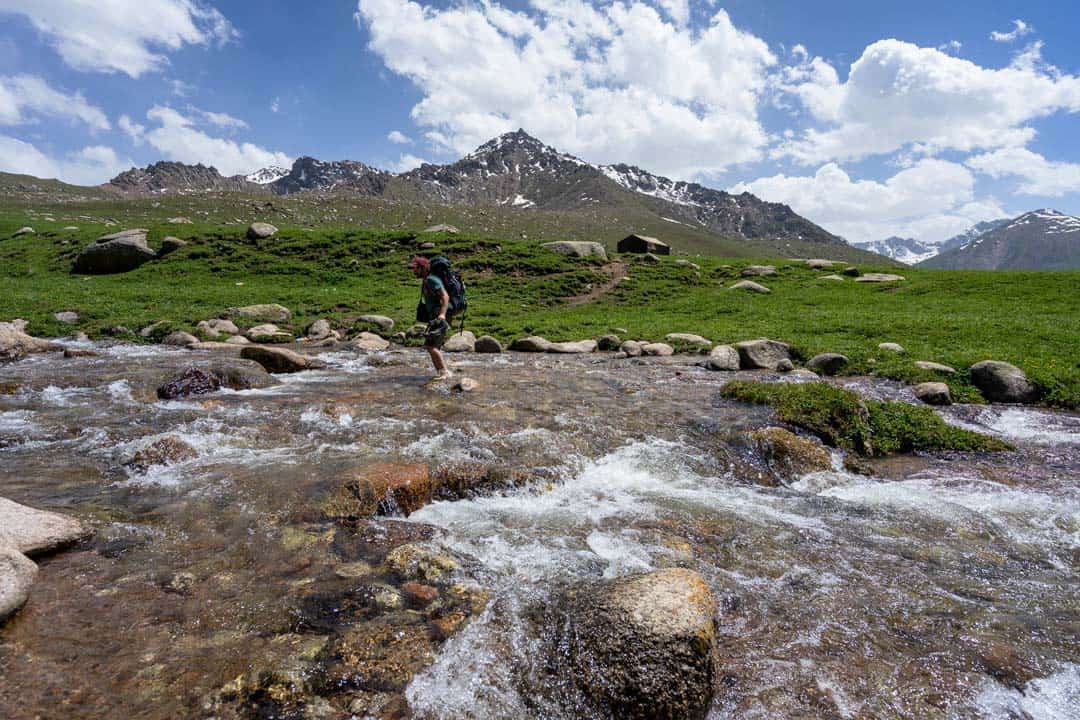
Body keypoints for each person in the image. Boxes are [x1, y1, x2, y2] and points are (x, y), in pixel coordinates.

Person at [409, 256, 453, 379]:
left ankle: (444, 373)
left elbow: (445, 296)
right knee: (434, 346)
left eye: (415, 268)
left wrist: (442, 315)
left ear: (423, 267)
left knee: (431, 346)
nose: (413, 271)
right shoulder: (427, 280)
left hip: (439, 316)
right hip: (436, 316)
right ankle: (441, 372)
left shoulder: (432, 280)